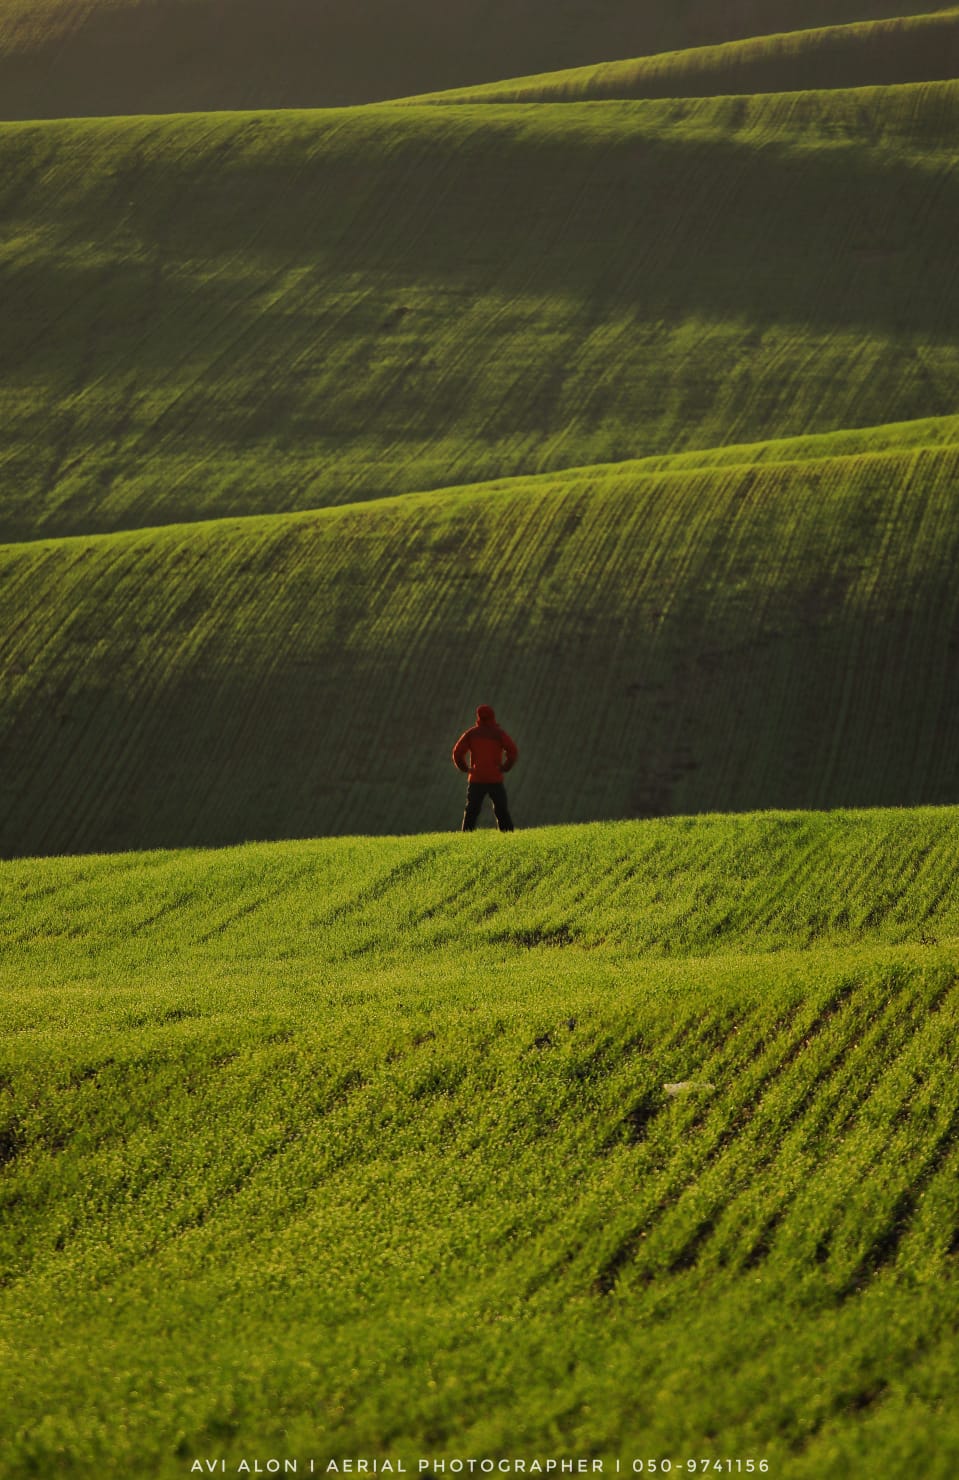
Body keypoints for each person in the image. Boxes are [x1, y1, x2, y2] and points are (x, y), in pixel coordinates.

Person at [452, 704, 518, 832]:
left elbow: (457, 753)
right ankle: (508, 835)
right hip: (495, 778)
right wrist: (505, 767)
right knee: (501, 810)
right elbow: (512, 751)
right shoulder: (499, 734)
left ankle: (466, 835)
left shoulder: (471, 734)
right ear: (493, 716)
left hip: (476, 778)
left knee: (472, 810)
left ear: (478, 717)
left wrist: (465, 768)